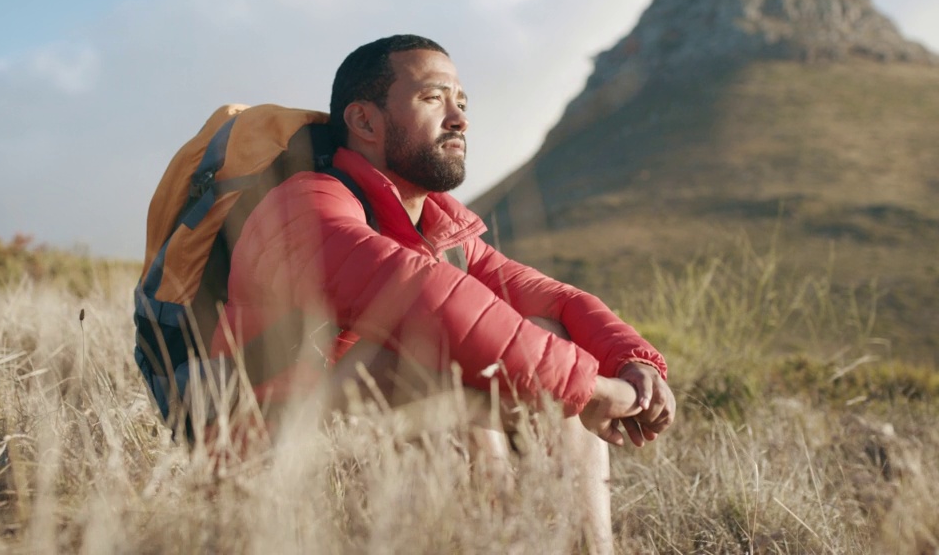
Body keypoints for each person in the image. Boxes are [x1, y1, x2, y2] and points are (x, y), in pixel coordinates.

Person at [207, 34, 675, 552]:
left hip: (378, 456)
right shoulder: (305, 207)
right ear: (364, 122)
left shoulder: (442, 233)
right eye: (433, 99)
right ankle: (491, 538)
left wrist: (634, 362)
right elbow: (424, 299)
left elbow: (554, 299)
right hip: (275, 468)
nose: (459, 119)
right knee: (437, 366)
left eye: (462, 103)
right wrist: (596, 390)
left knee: (543, 331)